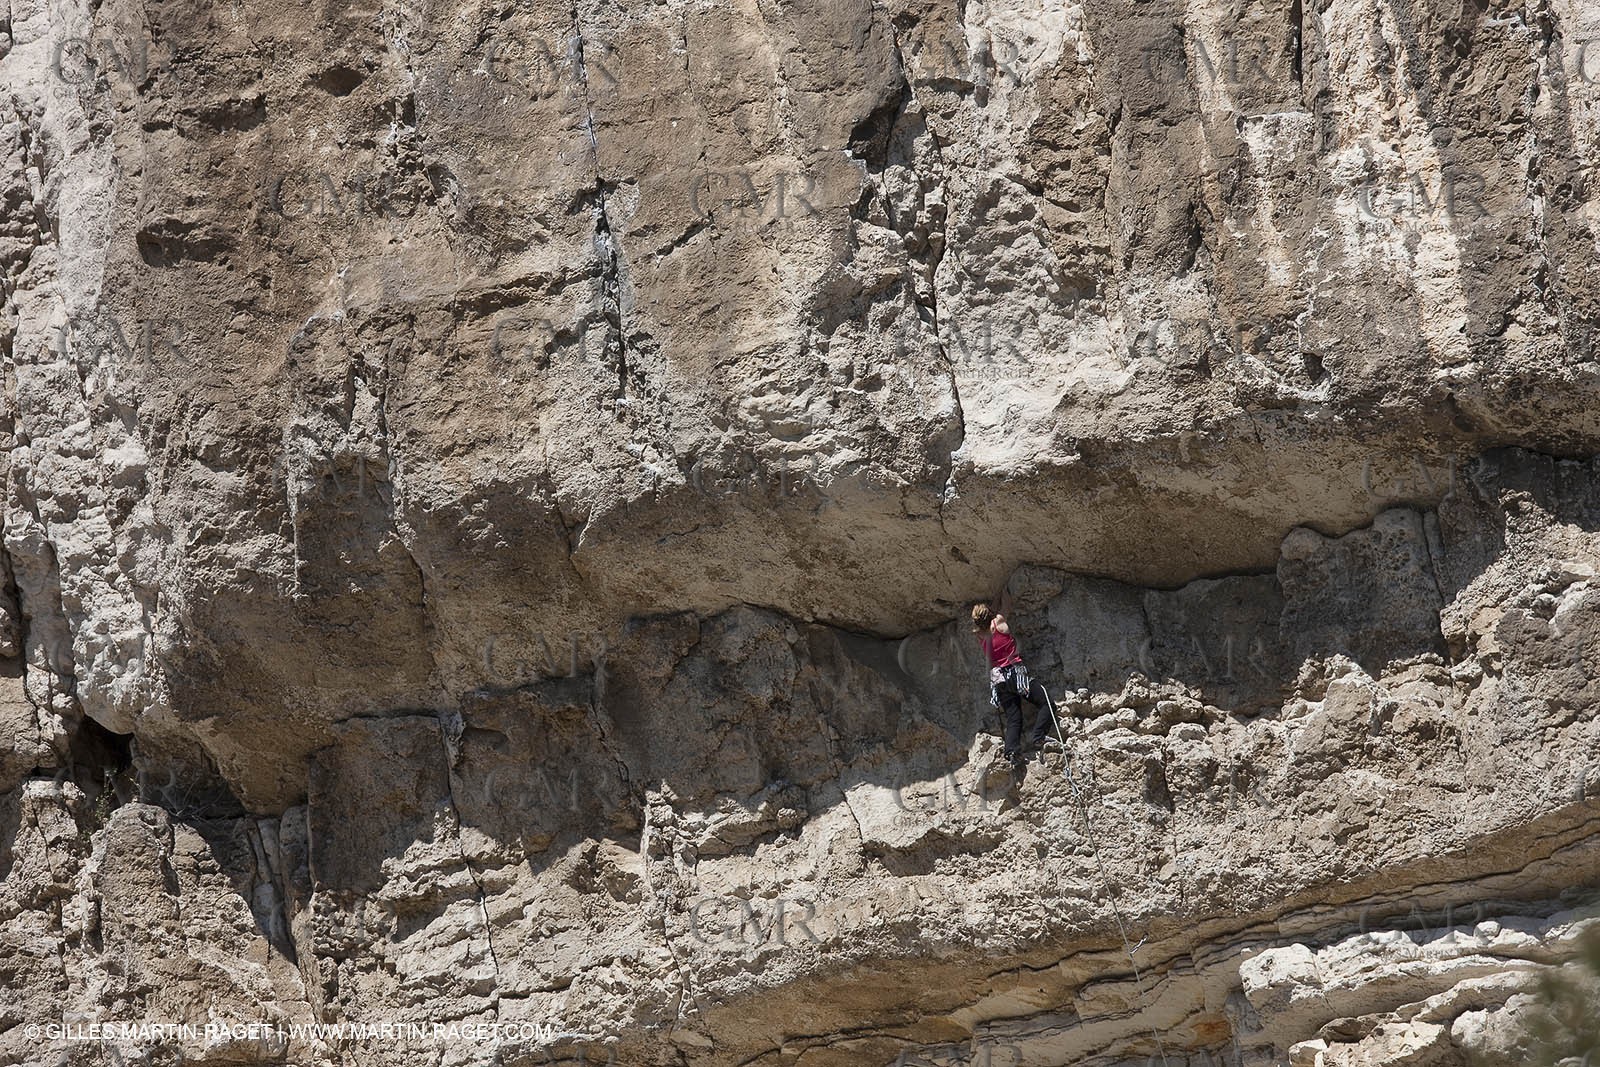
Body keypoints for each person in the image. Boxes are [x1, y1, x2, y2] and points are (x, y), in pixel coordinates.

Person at [972, 600, 1061, 773]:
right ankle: (1039, 737)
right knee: (1047, 703)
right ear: (990, 613)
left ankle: (1012, 752)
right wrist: (1002, 594)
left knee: (1014, 718)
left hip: (998, 680)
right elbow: (1007, 604)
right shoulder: (998, 622)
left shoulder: (980, 636)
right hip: (1014, 674)